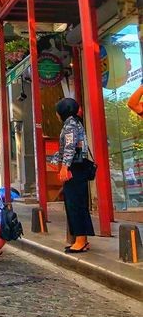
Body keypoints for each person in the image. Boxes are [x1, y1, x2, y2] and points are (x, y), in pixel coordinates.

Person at [53, 97, 95, 253]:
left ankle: (81, 240)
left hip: (74, 168)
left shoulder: (70, 124)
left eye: (58, 111)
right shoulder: (75, 122)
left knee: (74, 204)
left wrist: (65, 166)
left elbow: (70, 146)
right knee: (78, 203)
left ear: (64, 110)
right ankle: (81, 239)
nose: (57, 115)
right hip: (77, 166)